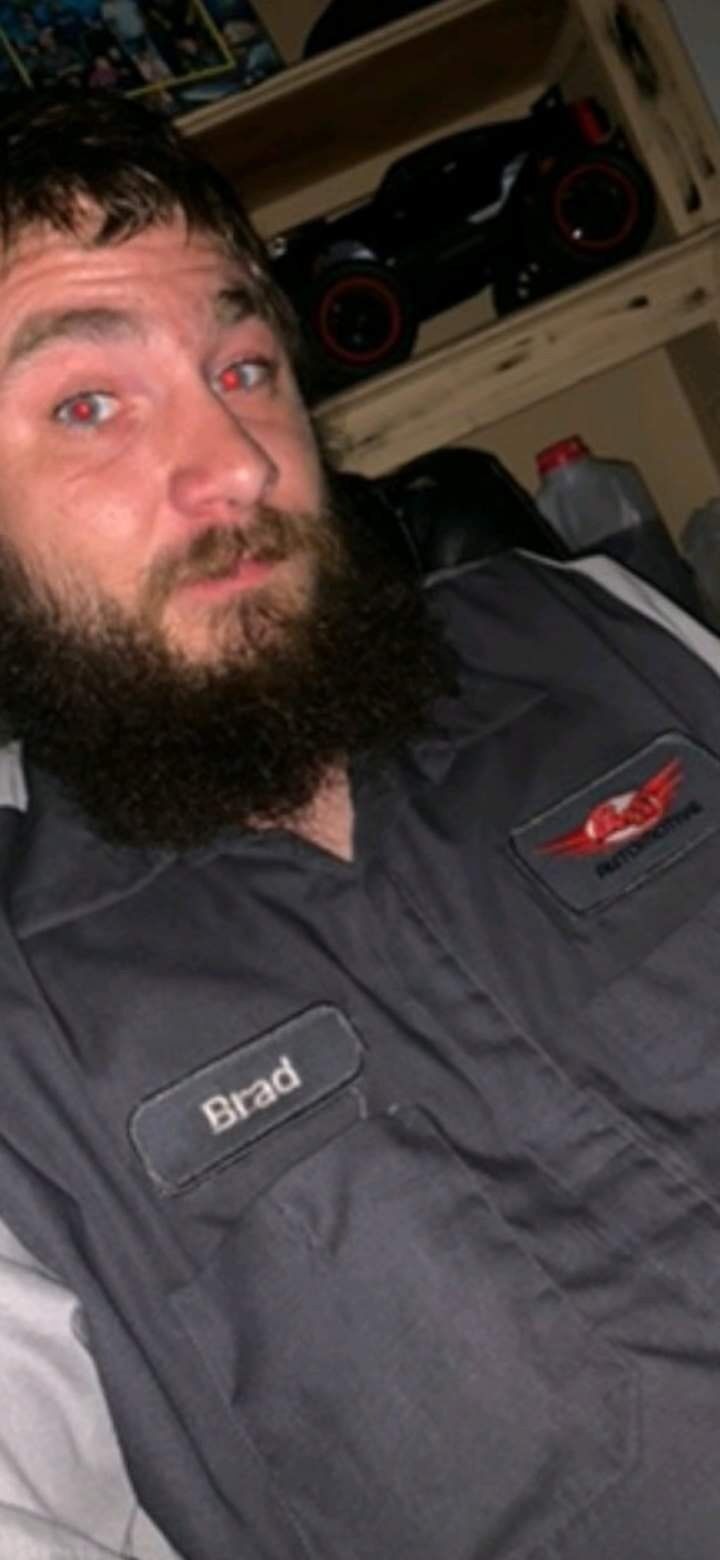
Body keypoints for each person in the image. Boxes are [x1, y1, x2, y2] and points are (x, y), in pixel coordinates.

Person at [0, 85, 719, 1560]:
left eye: (244, 366)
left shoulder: (581, 628)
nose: (241, 462)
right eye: (89, 405)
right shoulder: (24, 1048)